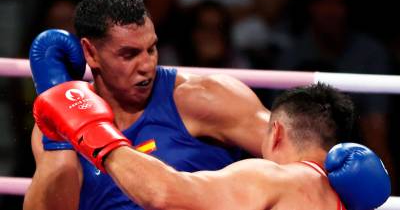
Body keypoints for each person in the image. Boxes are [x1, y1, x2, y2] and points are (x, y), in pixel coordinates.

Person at [23, 0, 269, 210]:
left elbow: (298, 155)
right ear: (90, 52)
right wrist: (60, 134)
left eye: (151, 49)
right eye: (129, 54)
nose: (147, 65)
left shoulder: (203, 97)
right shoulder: (57, 122)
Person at [33, 82, 391, 210]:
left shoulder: (271, 177)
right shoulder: (344, 197)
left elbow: (162, 193)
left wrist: (96, 135)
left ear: (276, 132)